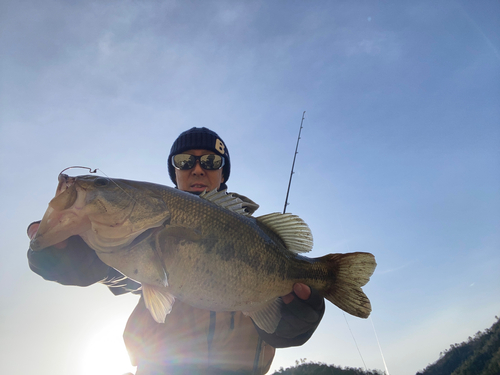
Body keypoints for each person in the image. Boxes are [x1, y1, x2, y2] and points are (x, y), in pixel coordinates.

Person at [27, 127, 325, 375]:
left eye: (210, 160)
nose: (197, 168)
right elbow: (110, 274)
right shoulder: (134, 240)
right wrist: (62, 257)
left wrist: (299, 317)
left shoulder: (258, 236)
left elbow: (279, 329)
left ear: (223, 172)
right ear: (174, 173)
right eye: (184, 161)